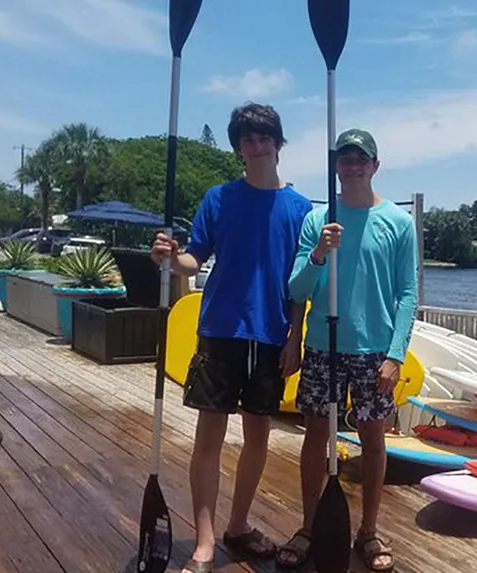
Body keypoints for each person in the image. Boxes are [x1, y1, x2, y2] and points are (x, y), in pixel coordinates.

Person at [150, 102, 312, 573]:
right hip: (221, 330)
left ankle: (238, 525)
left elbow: (301, 285)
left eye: (264, 139)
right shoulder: (218, 199)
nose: (256, 147)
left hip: (271, 335)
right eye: (247, 140)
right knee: (210, 438)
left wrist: (295, 336)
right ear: (238, 148)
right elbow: (191, 262)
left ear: (278, 143)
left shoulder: (301, 210)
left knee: (258, 434)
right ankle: (203, 541)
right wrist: (168, 256)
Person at [278, 128, 419, 572]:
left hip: (374, 352)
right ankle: (307, 526)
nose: (353, 166)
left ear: (375, 166)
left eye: (362, 159)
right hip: (323, 345)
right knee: (316, 436)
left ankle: (369, 531)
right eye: (345, 159)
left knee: (373, 440)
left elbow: (408, 293)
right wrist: (319, 252)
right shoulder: (317, 221)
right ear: (335, 167)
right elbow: (296, 289)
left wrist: (396, 354)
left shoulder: (398, 222)